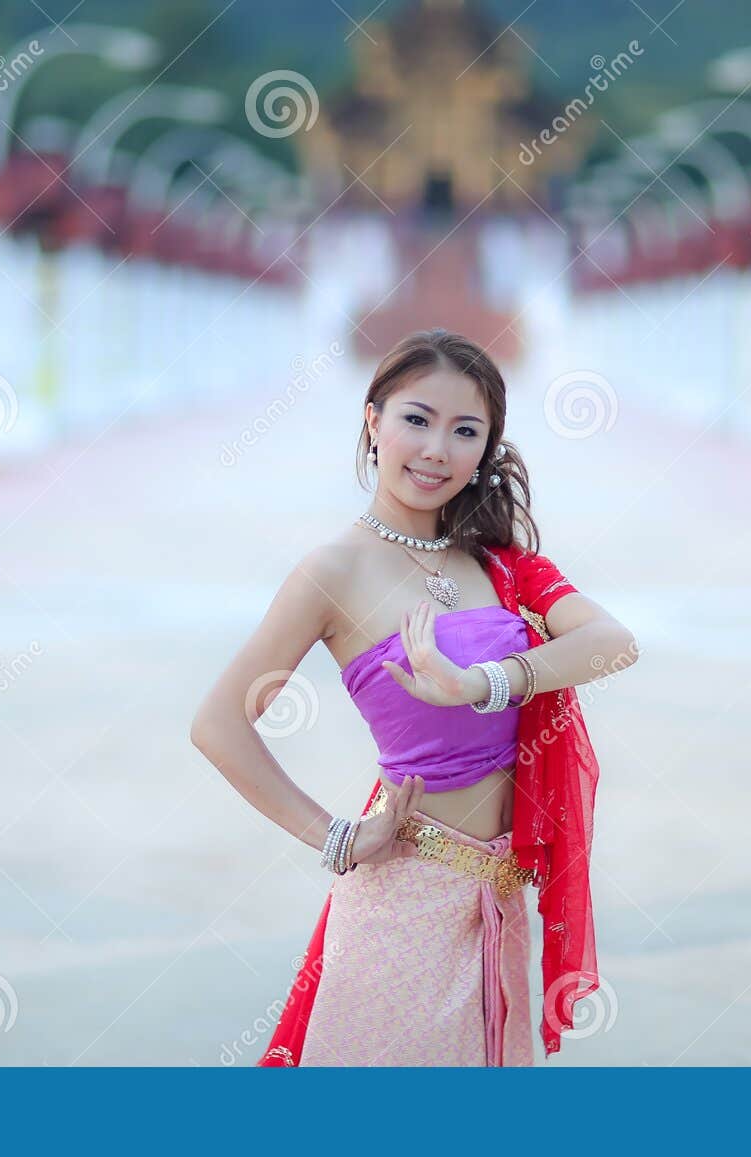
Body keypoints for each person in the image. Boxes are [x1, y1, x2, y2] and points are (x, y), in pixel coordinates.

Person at [190, 328, 638, 1066]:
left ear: (486, 448)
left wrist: (483, 684)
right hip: (401, 902)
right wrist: (334, 834)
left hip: (496, 905)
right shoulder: (332, 571)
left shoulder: (499, 565)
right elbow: (218, 724)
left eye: (466, 431)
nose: (436, 450)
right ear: (374, 420)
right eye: (416, 419)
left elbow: (613, 641)